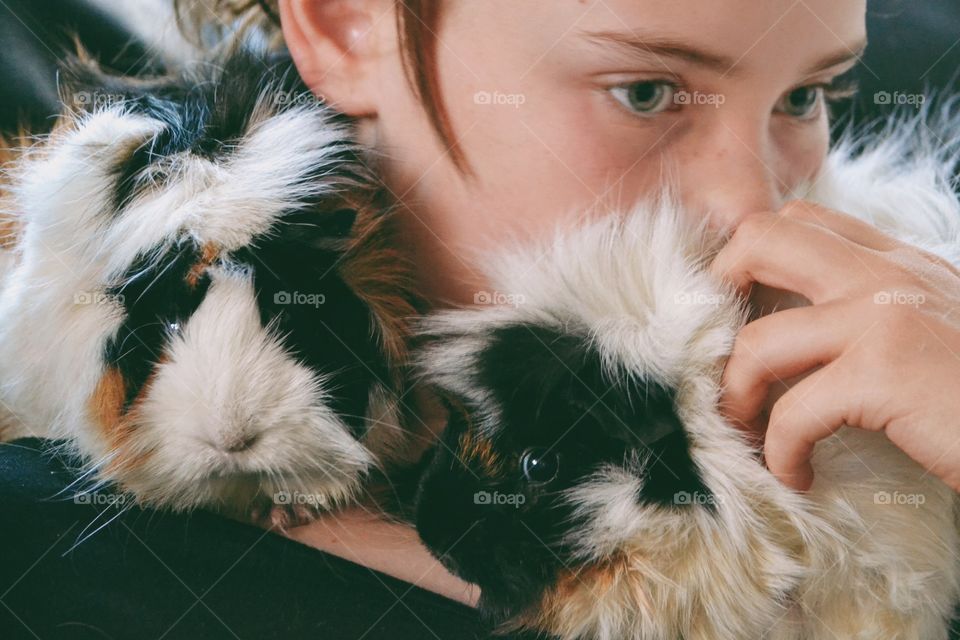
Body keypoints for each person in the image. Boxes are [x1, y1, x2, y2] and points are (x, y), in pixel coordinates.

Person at [2, 0, 960, 637]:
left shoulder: (915, 371)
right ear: (344, 26)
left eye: (805, 96)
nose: (754, 203)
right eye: (646, 92)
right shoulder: (52, 553)